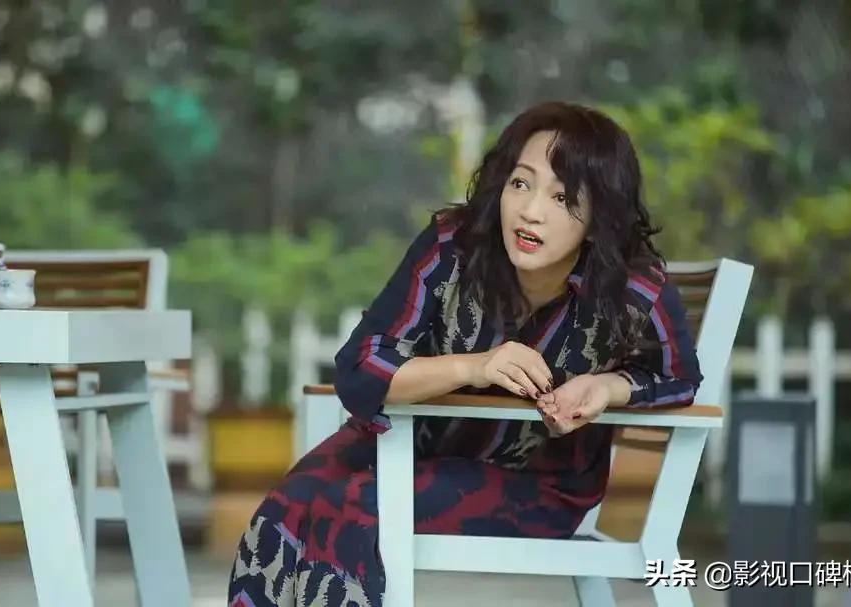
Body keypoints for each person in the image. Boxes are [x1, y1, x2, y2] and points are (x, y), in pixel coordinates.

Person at [227, 101, 703, 607]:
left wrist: (606, 386)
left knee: (355, 508)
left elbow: (679, 378)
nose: (530, 210)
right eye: (520, 183)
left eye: (563, 197)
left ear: (598, 215)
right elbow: (361, 363)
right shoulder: (454, 244)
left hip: (536, 484)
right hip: (409, 447)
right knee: (282, 513)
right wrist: (474, 366)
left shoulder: (634, 286)